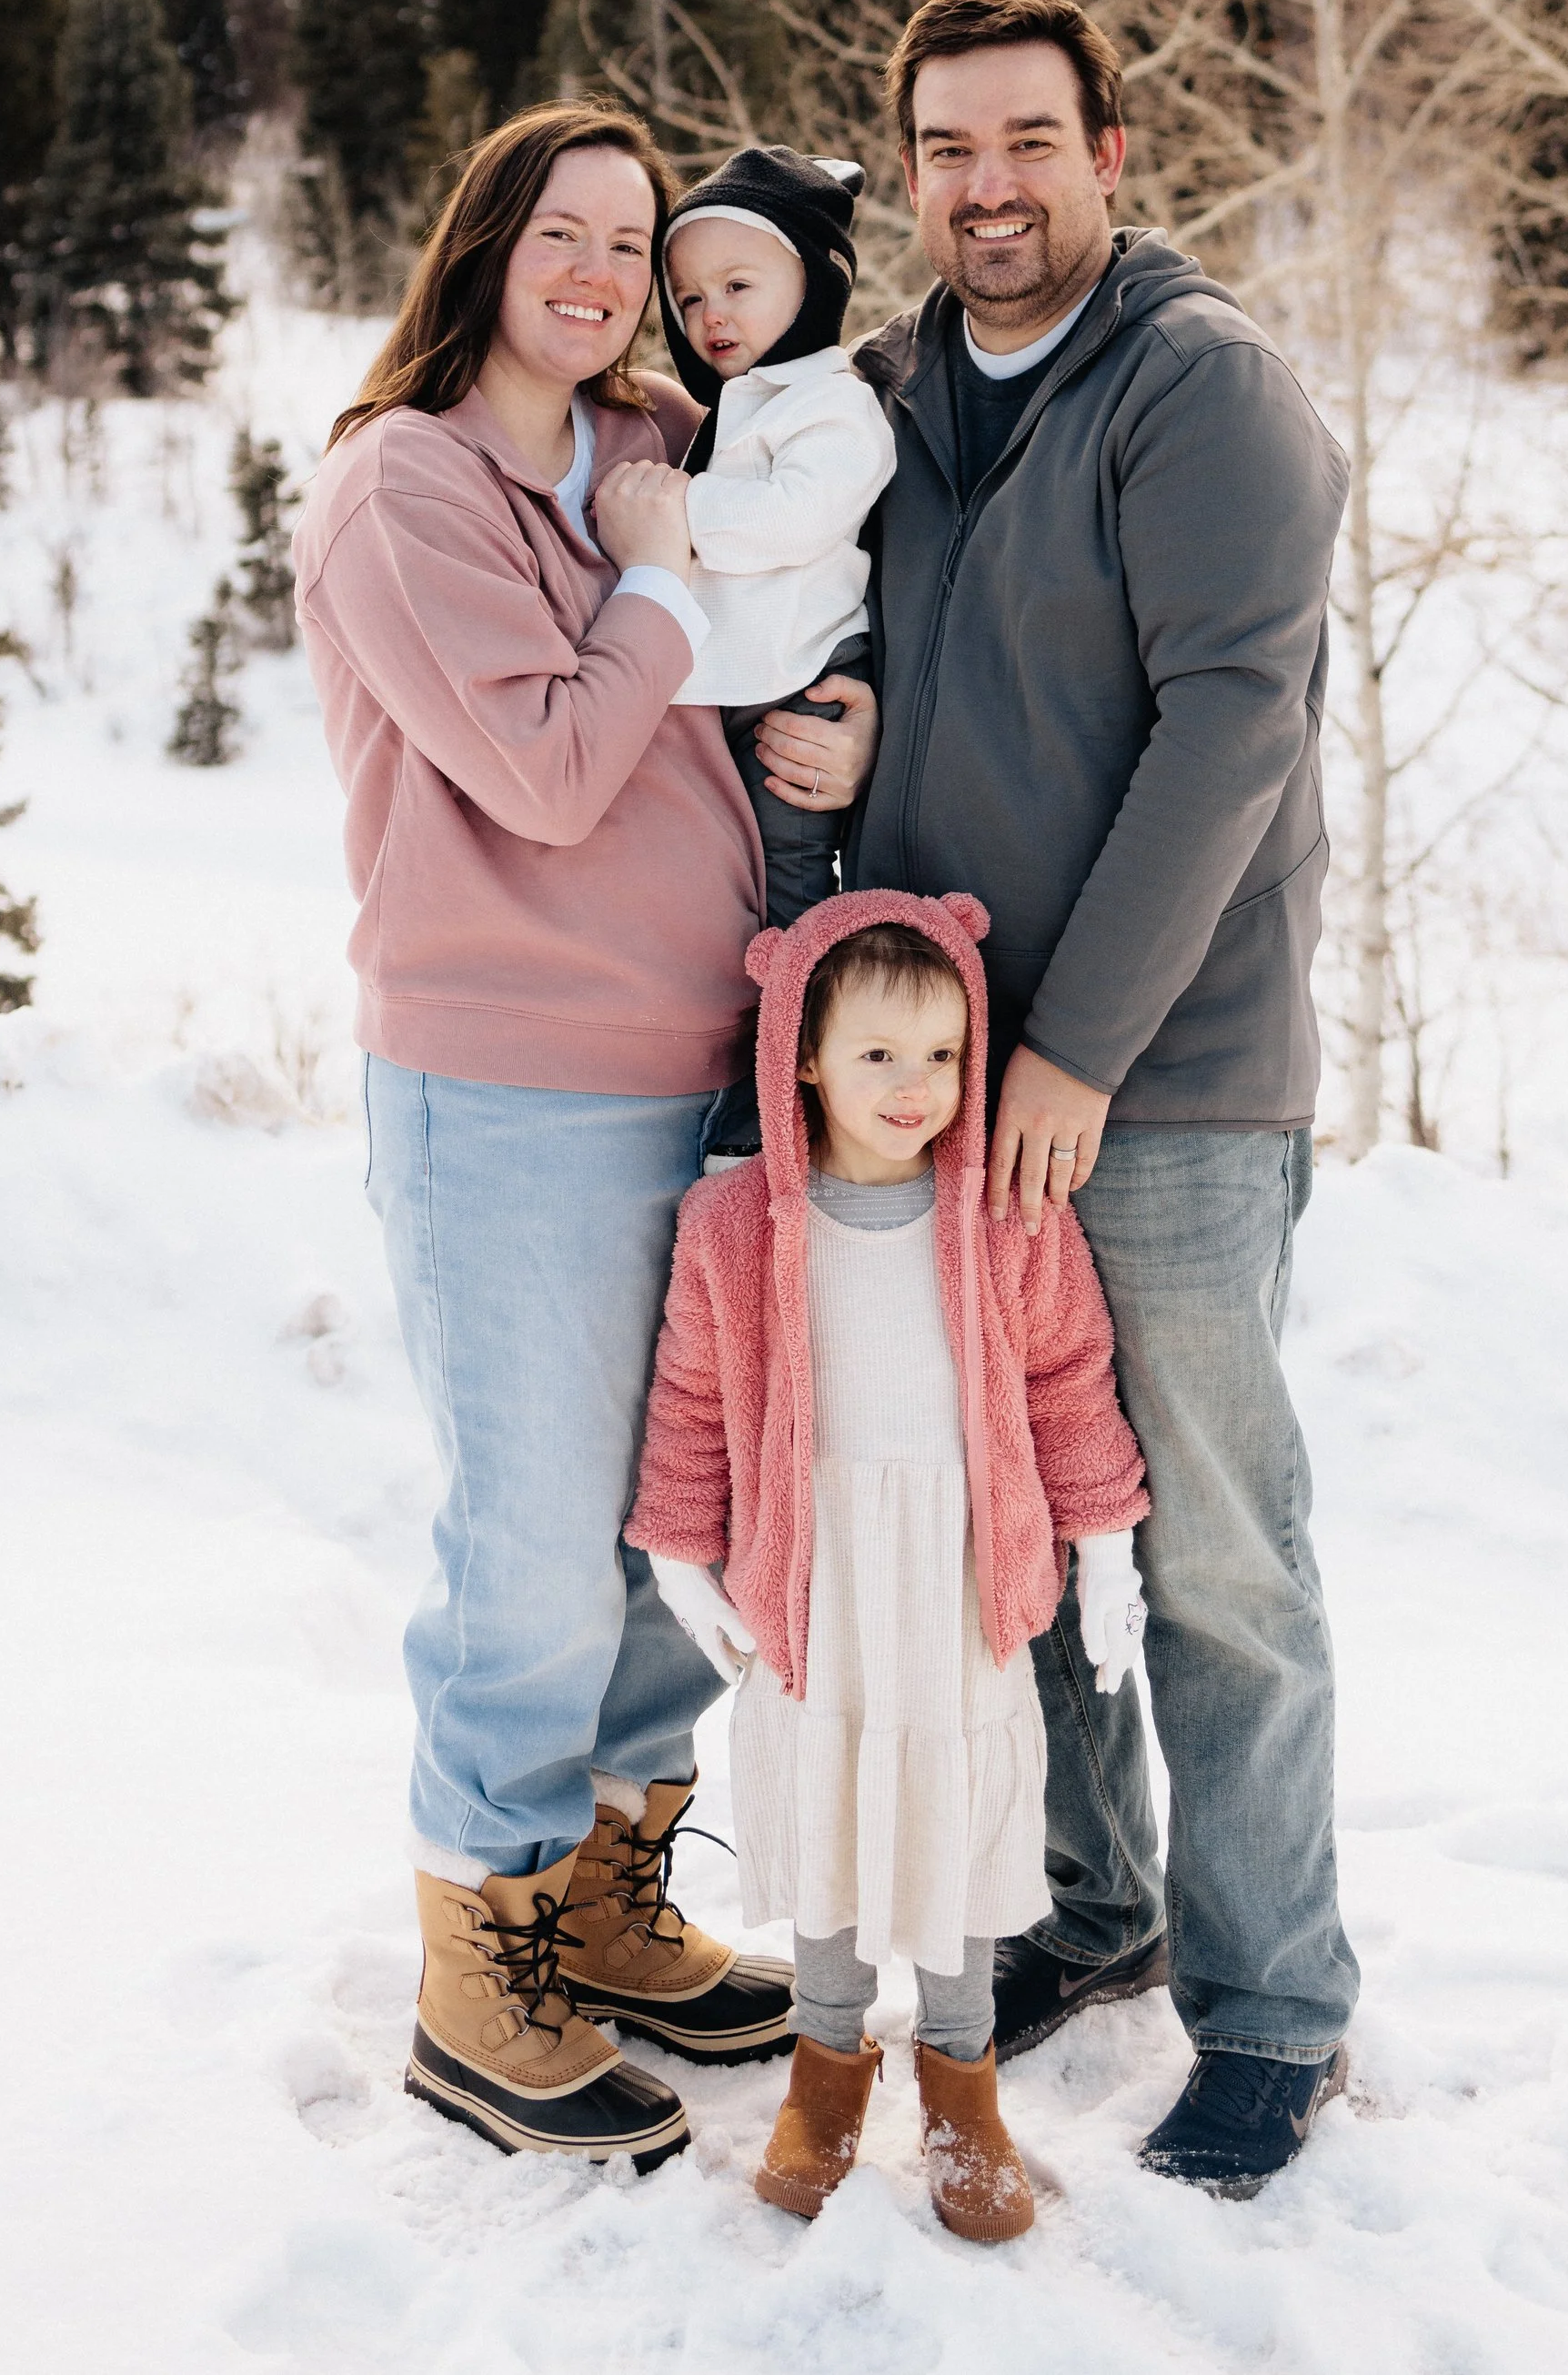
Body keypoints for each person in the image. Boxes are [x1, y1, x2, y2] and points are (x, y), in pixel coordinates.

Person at [291, 102, 875, 2174]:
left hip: (701, 1053)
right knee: (534, 1538)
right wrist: (648, 592)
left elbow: (745, 641)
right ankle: (485, 1955)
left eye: (634, 241)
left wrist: (821, 720)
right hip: (511, 1079)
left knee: (657, 1527)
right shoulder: (403, 491)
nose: (605, 270)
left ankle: (610, 1893)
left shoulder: (647, 444)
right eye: (566, 229)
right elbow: (545, 766)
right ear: (483, 241)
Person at [846, 0, 1360, 2199]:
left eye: (1030, 138)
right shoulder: (878, 398)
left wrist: (1078, 1051)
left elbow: (1228, 730)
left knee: (1216, 1552)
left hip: (1165, 1082)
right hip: (943, 1085)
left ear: (1113, 153)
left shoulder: (1200, 385)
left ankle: (1270, 2001)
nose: (989, 182)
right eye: (950, 146)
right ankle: (1098, 1902)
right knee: (1011, 1545)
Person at [626, 891, 1149, 2242]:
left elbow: (1069, 1385)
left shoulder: (1008, 1221)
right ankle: (829, 2065)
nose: (912, 1088)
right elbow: (690, 1400)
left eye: (940, 1056)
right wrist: (684, 1555)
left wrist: (1103, 1553)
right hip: (819, 1577)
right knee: (836, 1803)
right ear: (802, 1054)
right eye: (876, 1056)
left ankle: (961, 2082)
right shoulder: (734, 1225)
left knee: (957, 1813)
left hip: (959, 1578)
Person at [652, 144, 897, 1153]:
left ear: (813, 282)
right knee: (739, 899)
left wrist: (674, 510)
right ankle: (758, 1068)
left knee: (796, 898)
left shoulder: (834, 404)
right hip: (744, 687)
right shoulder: (732, 409)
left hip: (803, 687)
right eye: (690, 294)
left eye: (741, 286)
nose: (713, 314)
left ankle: (778, 1102)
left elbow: (796, 518)